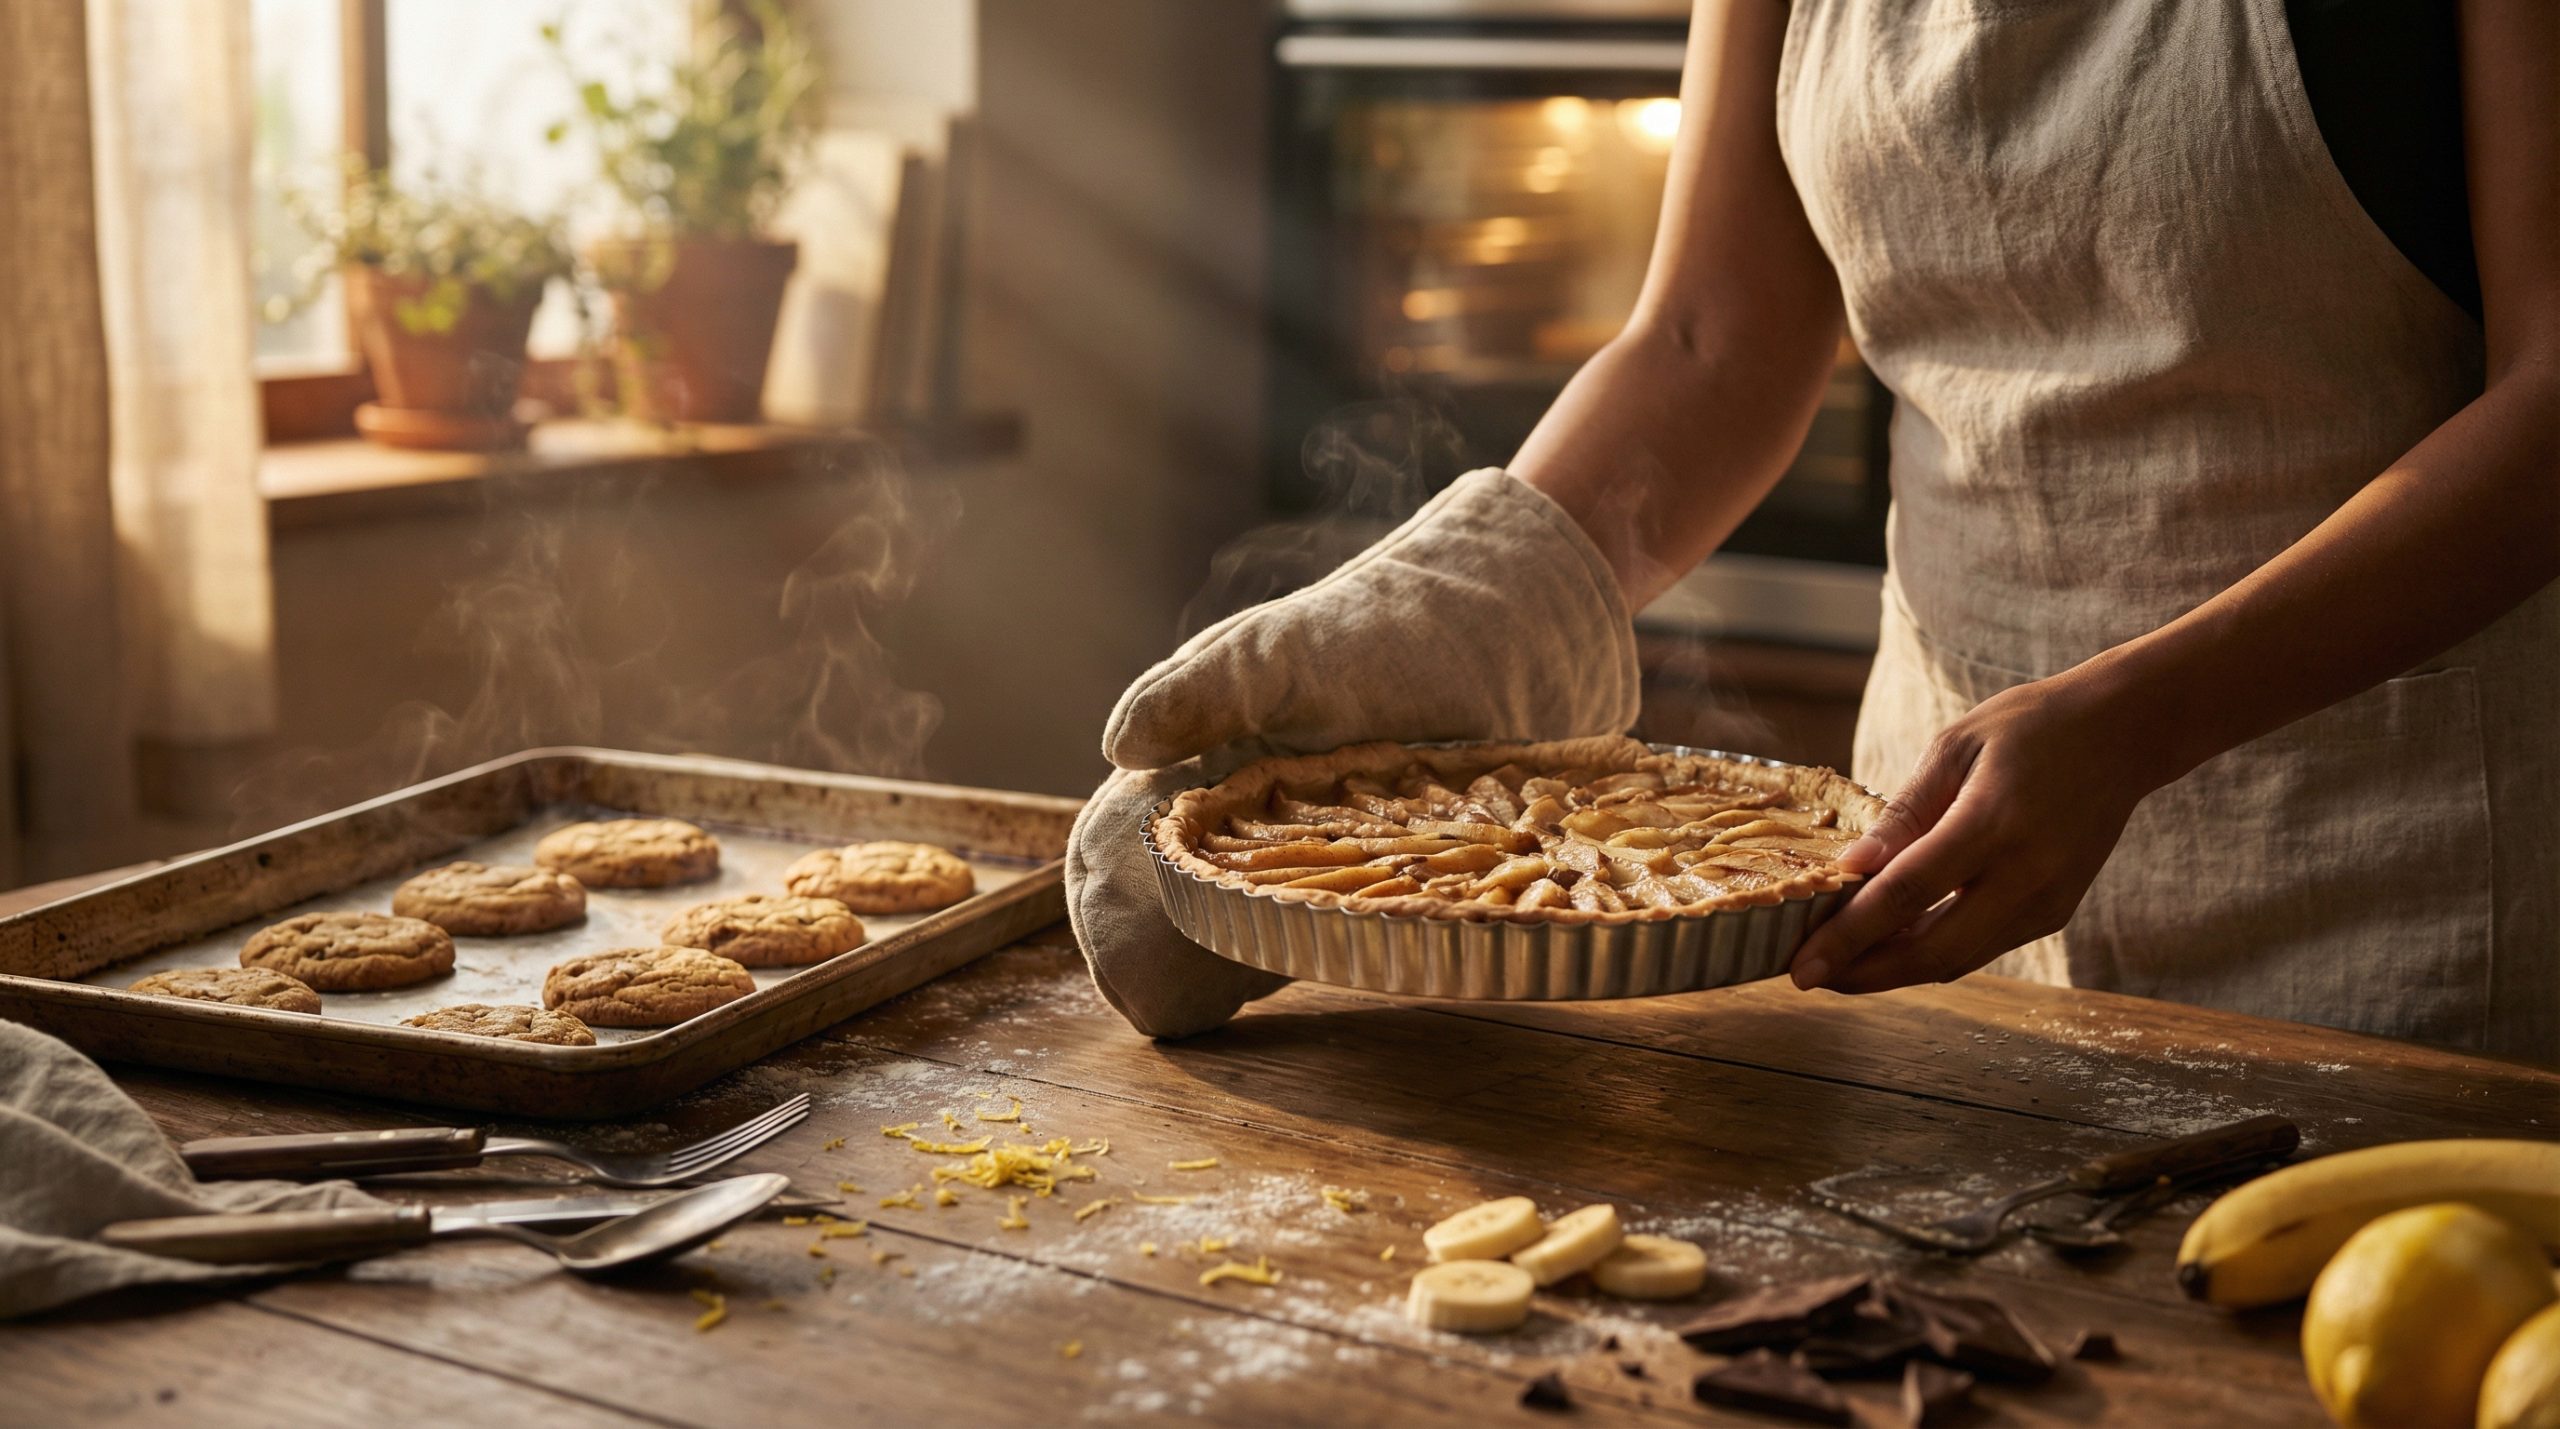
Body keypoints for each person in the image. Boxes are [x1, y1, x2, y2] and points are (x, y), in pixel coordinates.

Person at [1069, 0, 2559, 1059]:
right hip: (1918, 875)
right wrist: (1460, 604)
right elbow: (1711, 341)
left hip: (2378, 893)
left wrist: (2138, 718)